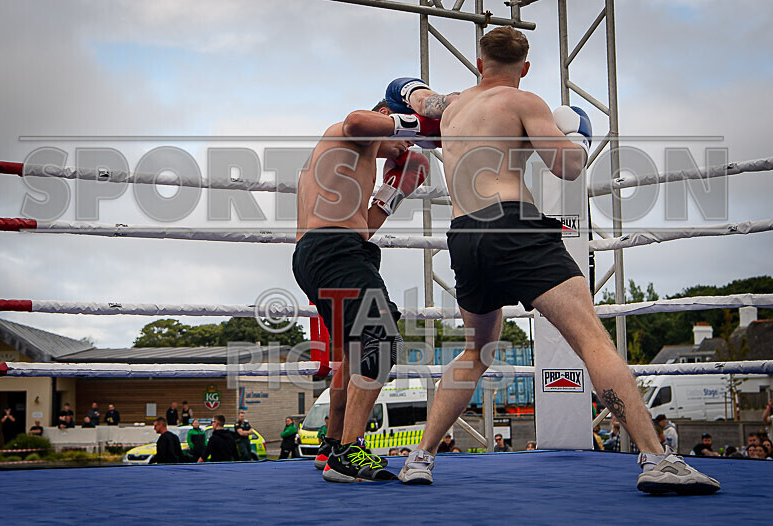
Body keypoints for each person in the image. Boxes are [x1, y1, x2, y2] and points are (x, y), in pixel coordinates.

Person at [390, 26, 720, 495]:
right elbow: (564, 167)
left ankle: (419, 458)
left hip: (465, 236)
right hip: (514, 225)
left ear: (479, 63)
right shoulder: (525, 102)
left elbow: (408, 93)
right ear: (524, 69)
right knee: (592, 341)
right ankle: (656, 458)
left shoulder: (453, 105)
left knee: (478, 350)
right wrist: (576, 136)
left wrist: (410, 94)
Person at [292, 100, 430, 483]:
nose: (405, 144)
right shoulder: (347, 131)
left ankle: (333, 444)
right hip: (332, 250)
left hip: (335, 251)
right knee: (383, 341)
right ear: (384, 117)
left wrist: (394, 190)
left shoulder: (357, 159)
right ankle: (350, 452)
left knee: (354, 351)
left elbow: (364, 227)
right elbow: (357, 120)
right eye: (399, 133)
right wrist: (412, 121)